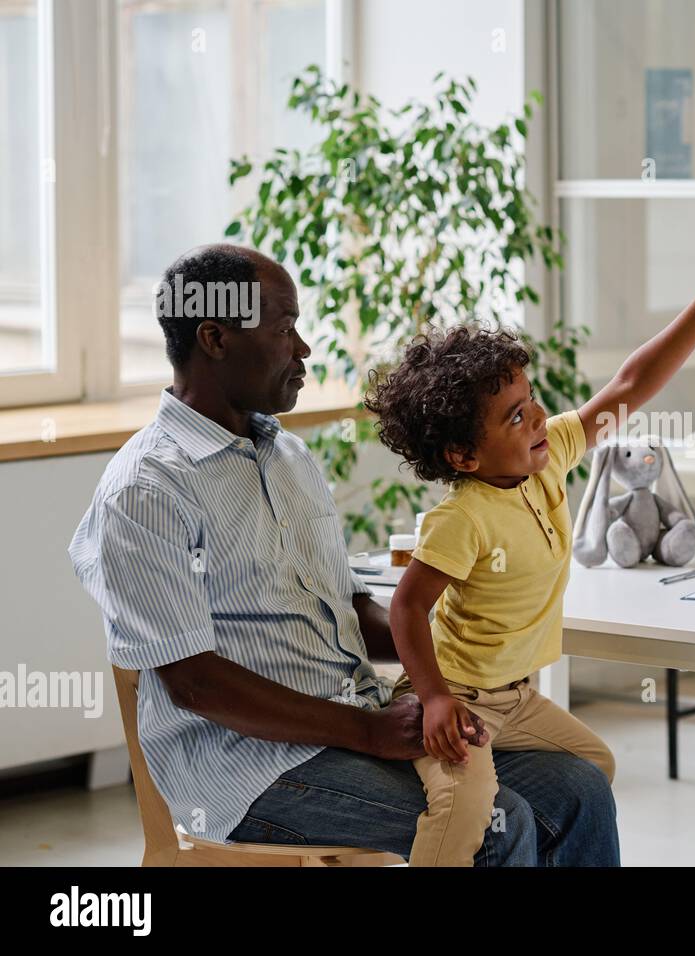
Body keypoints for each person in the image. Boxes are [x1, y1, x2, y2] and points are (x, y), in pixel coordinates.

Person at [70, 243, 619, 865]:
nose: (302, 348)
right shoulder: (147, 490)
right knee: (496, 825)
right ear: (215, 337)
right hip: (247, 767)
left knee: (578, 789)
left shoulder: (287, 458)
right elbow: (193, 682)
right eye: (284, 328)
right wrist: (366, 730)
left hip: (356, 717)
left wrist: (454, 672)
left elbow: (349, 609)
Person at [364, 255, 695, 866]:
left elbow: (628, 387)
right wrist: (435, 698)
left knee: (591, 769)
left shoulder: (542, 464)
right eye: (515, 416)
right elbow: (410, 605)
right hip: (460, 696)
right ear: (464, 456)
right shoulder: (462, 518)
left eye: (532, 398)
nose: (539, 417)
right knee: (466, 812)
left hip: (515, 699)